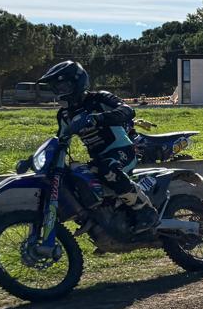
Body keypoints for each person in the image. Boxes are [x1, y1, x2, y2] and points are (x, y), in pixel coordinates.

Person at [35, 60, 156, 230]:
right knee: (75, 176)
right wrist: (33, 160)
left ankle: (145, 210)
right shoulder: (64, 114)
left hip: (121, 152)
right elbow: (60, 140)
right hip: (99, 160)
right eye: (56, 88)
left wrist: (98, 118)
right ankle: (102, 222)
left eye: (63, 86)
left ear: (77, 82)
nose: (59, 92)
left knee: (108, 168)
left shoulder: (99, 99)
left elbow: (128, 110)